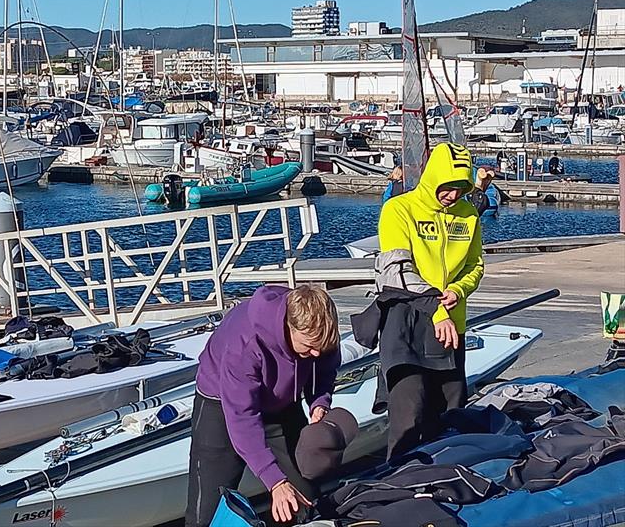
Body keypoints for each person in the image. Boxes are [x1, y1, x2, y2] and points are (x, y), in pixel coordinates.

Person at [185, 284, 342, 527]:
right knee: (207, 514)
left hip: (282, 403)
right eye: (309, 347)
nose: (314, 353)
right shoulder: (246, 343)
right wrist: (275, 482)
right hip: (223, 404)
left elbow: (324, 366)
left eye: (320, 348)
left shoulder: (319, 334)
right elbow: (242, 418)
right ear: (289, 328)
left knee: (304, 498)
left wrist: (319, 401)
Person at [377, 142, 484, 458]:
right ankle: (397, 487)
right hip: (407, 325)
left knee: (450, 416)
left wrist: (459, 290)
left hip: (451, 328)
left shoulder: (468, 214)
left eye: (460, 188)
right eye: (446, 186)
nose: (452, 195)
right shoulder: (399, 209)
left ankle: (444, 483)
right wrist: (437, 308)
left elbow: (476, 265)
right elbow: (396, 272)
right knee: (408, 419)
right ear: (432, 177)